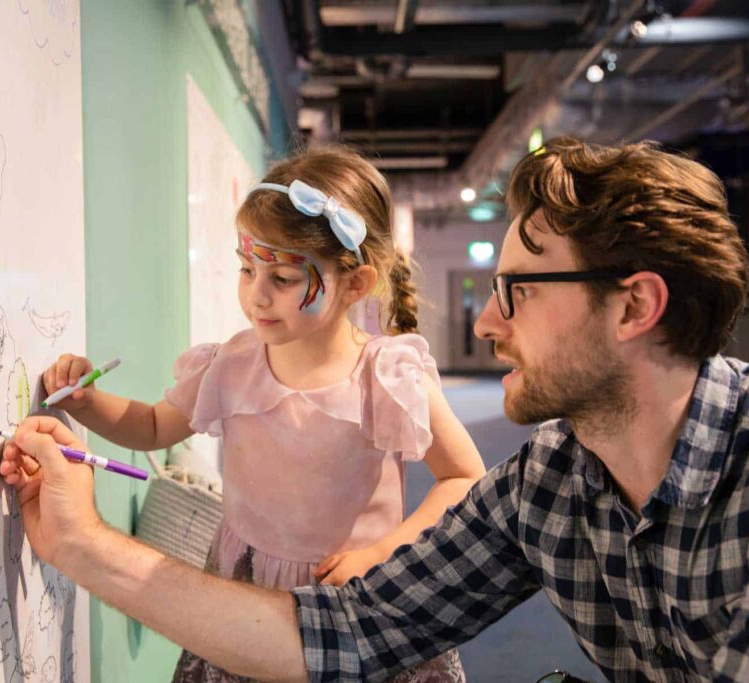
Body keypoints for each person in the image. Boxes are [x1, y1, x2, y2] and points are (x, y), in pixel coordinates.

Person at [0, 137, 749, 682]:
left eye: (517, 289)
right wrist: (81, 541)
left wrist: (375, 545)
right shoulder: (553, 483)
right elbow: (352, 631)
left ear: (634, 307)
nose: (484, 322)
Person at [31, 146, 485, 681]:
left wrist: (386, 550)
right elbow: (153, 426)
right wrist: (88, 402)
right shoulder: (233, 362)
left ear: (355, 285)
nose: (256, 296)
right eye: (247, 269)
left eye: (284, 280)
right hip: (242, 593)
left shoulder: (386, 375)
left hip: (353, 594)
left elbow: (463, 477)